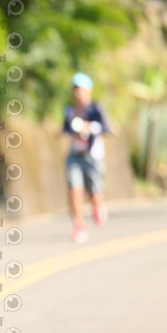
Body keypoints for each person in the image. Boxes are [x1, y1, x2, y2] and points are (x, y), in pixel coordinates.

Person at [63, 73, 111, 243]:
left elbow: (106, 128)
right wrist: (63, 131)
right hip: (75, 155)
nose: (77, 92)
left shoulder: (95, 108)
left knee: (94, 192)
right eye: (75, 88)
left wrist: (89, 127)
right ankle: (79, 226)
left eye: (80, 89)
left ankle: (98, 205)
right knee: (74, 189)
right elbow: (66, 128)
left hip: (92, 156)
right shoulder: (69, 110)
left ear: (88, 90)